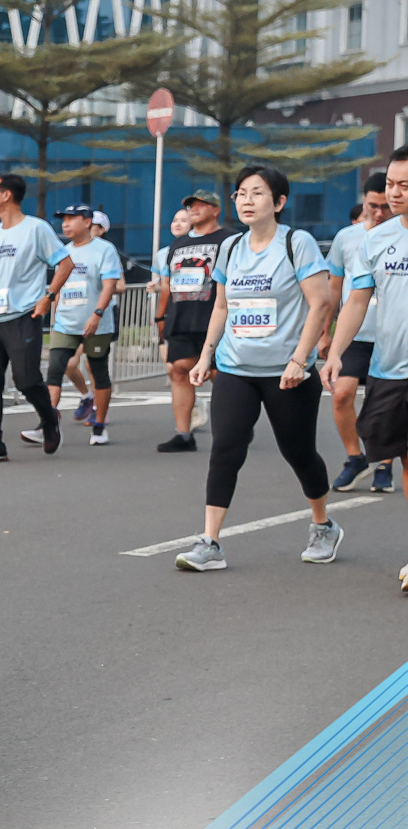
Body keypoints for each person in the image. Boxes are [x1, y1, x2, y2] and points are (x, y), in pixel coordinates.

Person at [174, 166, 340, 572]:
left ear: (279, 202)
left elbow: (320, 303)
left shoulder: (297, 244)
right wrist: (207, 356)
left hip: (287, 373)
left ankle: (323, 525)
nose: (247, 201)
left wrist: (299, 360)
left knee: (298, 452)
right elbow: (222, 306)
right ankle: (210, 542)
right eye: (241, 194)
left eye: (258, 193)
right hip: (236, 368)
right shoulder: (231, 247)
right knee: (225, 448)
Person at [327, 148, 408, 588]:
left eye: (404, 186)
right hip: (391, 369)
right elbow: (357, 300)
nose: (394, 193)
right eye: (391, 184)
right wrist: (335, 351)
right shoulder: (375, 240)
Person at [0, 174, 73, 462]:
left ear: (7, 195)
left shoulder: (36, 229)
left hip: (23, 315)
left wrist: (48, 296)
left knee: (26, 380)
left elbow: (65, 264)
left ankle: (49, 419)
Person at [23, 205, 123, 447]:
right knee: (55, 370)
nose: (65, 224)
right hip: (65, 323)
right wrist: (55, 316)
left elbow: (110, 285)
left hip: (96, 324)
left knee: (98, 372)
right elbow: (59, 286)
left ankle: (99, 425)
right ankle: (46, 424)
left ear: (87, 222)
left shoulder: (104, 249)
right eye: (63, 220)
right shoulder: (63, 251)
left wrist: (97, 314)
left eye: (71, 219)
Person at [326, 173, 392, 492]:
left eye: (385, 207)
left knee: (384, 406)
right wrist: (326, 335)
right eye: (372, 206)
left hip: (392, 339)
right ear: (363, 201)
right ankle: (355, 458)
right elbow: (335, 288)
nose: (378, 213)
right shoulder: (346, 238)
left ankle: (384, 464)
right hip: (354, 335)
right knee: (341, 395)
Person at [155, 190, 232, 452]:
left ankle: (233, 430)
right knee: (179, 371)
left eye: (201, 205)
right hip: (181, 318)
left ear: (216, 209)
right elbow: (167, 284)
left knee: (221, 375)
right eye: (191, 206)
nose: (194, 209)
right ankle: (183, 434)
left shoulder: (230, 240)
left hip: (215, 318)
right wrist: (160, 317)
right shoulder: (178, 244)